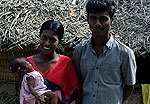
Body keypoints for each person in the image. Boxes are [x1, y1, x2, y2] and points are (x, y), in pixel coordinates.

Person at [72, 0, 137, 104]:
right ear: (87, 20)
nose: (97, 23)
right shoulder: (79, 51)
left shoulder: (125, 53)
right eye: (93, 18)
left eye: (103, 19)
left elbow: (130, 85)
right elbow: (77, 81)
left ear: (112, 20)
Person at [27, 20, 81, 104]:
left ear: (59, 42)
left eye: (52, 40)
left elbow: (73, 95)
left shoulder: (66, 63)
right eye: (44, 38)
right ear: (39, 37)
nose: (47, 43)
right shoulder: (28, 63)